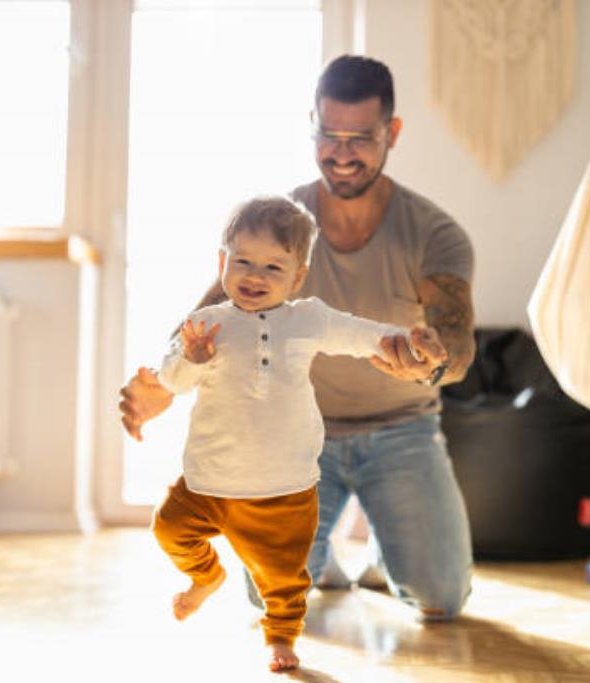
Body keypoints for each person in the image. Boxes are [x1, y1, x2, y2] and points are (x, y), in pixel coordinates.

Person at [122, 54, 476, 623]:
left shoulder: (434, 234)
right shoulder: (279, 227)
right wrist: (163, 382)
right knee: (267, 597)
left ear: (393, 133)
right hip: (290, 444)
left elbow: (457, 344)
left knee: (440, 598)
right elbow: (203, 321)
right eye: (328, 135)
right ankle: (325, 560)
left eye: (360, 137)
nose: (341, 153)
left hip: (403, 429)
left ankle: (391, 545)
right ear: (312, 126)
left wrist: (433, 361)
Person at [149, 196, 447, 672]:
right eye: (243, 261)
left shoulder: (308, 319)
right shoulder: (207, 325)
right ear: (222, 262)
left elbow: (363, 334)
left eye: (273, 267)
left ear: (298, 277)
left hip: (284, 486)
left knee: (284, 578)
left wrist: (408, 339)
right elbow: (171, 380)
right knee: (169, 529)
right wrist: (192, 360)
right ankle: (205, 577)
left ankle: (280, 639)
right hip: (207, 481)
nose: (255, 276)